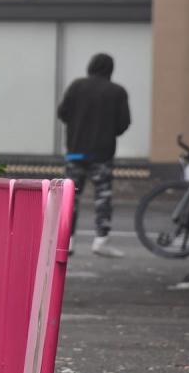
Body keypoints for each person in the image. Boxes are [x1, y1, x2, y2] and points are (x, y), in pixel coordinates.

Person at [57, 53, 131, 258]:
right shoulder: (117, 92)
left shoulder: (77, 86)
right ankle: (101, 240)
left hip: (76, 151)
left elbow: (62, 113)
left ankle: (67, 241)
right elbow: (123, 123)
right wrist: (107, 131)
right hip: (102, 153)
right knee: (103, 197)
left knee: (71, 197)